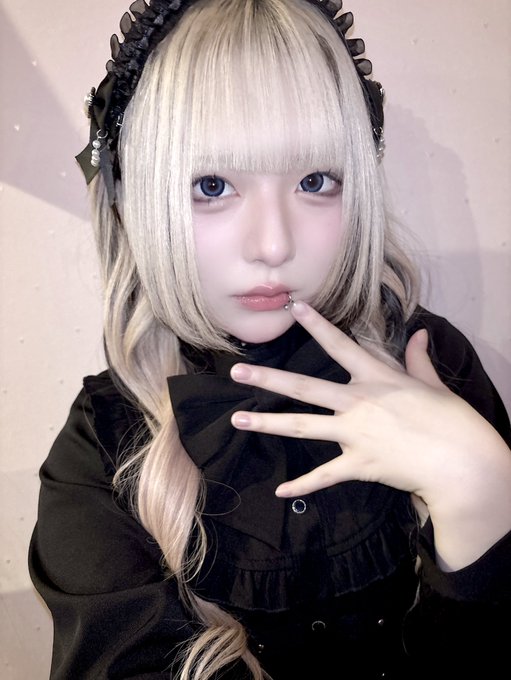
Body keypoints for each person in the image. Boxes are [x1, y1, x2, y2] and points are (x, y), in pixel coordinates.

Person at [29, 1, 511, 679]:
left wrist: (481, 499)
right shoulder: (101, 451)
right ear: (136, 198)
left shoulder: (433, 362)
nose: (274, 244)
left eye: (315, 181)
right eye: (212, 185)